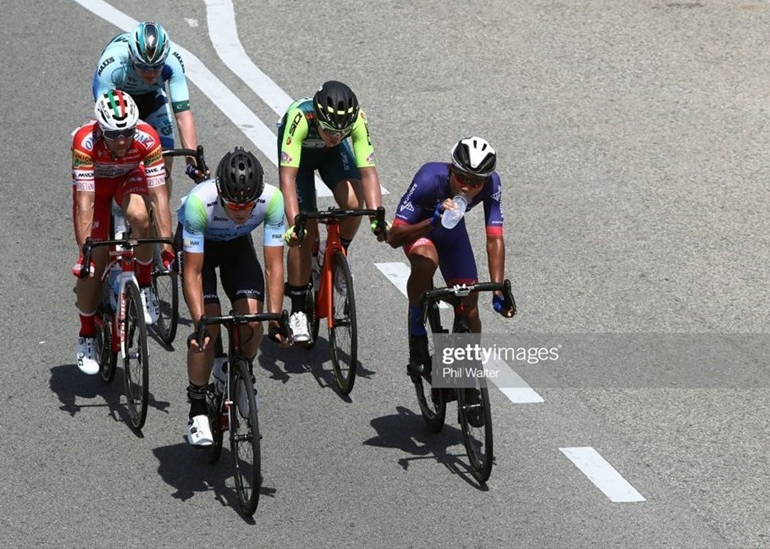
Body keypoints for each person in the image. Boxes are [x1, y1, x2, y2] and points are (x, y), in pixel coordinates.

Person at [180, 147, 290, 446]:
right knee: (208, 331)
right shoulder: (199, 203)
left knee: (252, 320)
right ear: (220, 194)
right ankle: (197, 407)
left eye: (248, 206)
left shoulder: (273, 199)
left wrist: (276, 319)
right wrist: (200, 322)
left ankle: (243, 373)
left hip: (236, 248)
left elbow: (274, 265)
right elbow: (193, 272)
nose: (242, 213)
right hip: (200, 251)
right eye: (233, 206)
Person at [386, 136, 517, 378]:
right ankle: (417, 332)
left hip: (451, 234)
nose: (467, 187)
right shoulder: (428, 178)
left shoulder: (492, 183)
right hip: (419, 230)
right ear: (451, 169)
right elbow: (394, 237)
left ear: (485, 180)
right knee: (427, 260)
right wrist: (431, 221)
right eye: (461, 178)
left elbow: (494, 238)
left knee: (470, 303)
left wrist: (498, 290)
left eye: (475, 182)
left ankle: (468, 378)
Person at [277, 80, 386, 342]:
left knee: (354, 204)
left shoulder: (356, 119)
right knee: (303, 232)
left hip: (332, 157)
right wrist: (294, 224)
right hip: (300, 161)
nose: (335, 137)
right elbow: (288, 179)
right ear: (318, 117)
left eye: (342, 132)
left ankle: (336, 256)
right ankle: (298, 309)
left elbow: (368, 173)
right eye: (329, 130)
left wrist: (377, 217)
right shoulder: (300, 118)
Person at [71, 89, 169, 375]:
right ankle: (87, 334)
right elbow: (85, 202)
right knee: (94, 263)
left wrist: (166, 246)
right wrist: (85, 252)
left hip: (128, 178)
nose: (123, 140)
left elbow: (159, 196)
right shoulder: (85, 142)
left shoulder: (147, 138)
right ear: (101, 130)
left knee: (142, 218)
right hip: (96, 189)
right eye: (114, 135)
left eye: (128, 132)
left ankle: (145, 285)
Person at [92, 21, 205, 264]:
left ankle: (153, 221)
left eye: (156, 67)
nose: (151, 73)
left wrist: (192, 161)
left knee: (163, 166)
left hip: (152, 101)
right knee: (118, 149)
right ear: (132, 57)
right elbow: (106, 119)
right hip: (118, 103)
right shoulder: (112, 65)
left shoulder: (173, 61)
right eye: (143, 67)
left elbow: (183, 114)